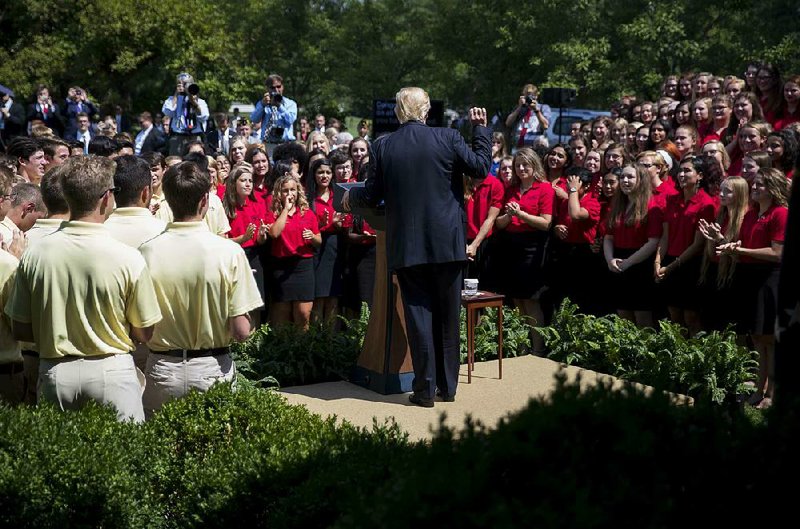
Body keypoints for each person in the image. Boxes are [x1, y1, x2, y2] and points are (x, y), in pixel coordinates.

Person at [344, 87, 490, 407]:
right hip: (448, 245)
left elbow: (369, 195)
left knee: (419, 320)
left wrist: (349, 198)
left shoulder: (383, 146)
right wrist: (480, 130)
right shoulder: (448, 138)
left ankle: (424, 391)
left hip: (409, 248)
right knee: (448, 319)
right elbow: (480, 167)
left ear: (398, 112)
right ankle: (448, 388)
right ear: (425, 112)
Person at [5, 155, 162, 422]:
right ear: (106, 198)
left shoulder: (35, 253)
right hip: (113, 370)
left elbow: (20, 327)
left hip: (56, 371)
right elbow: (145, 331)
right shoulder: (127, 257)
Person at [139, 161, 262, 416]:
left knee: (159, 451)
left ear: (168, 201)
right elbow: (242, 331)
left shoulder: (147, 252)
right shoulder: (229, 252)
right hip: (212, 368)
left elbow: (139, 329)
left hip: (163, 367)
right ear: (205, 201)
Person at [161, 72, 209, 156]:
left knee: (196, 163)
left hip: (195, 137)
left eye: (186, 84)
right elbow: (168, 112)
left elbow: (204, 117)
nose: (184, 86)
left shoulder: (200, 102)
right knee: (176, 163)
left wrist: (193, 102)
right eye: (180, 84)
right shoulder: (172, 100)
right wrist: (176, 94)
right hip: (177, 137)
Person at [250, 74, 297, 148]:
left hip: (286, 144)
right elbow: (254, 119)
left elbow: (291, 120)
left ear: (282, 87)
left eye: (278, 86)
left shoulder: (290, 104)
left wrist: (279, 106)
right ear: (267, 89)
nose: (276, 90)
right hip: (268, 144)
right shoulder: (263, 103)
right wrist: (263, 105)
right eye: (272, 88)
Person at [505, 84, 551, 151]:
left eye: (531, 95)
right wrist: (519, 107)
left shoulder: (543, 108)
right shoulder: (519, 108)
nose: (529, 98)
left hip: (535, 145)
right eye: (527, 95)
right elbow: (508, 123)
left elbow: (545, 126)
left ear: (536, 96)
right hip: (518, 145)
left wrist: (536, 110)